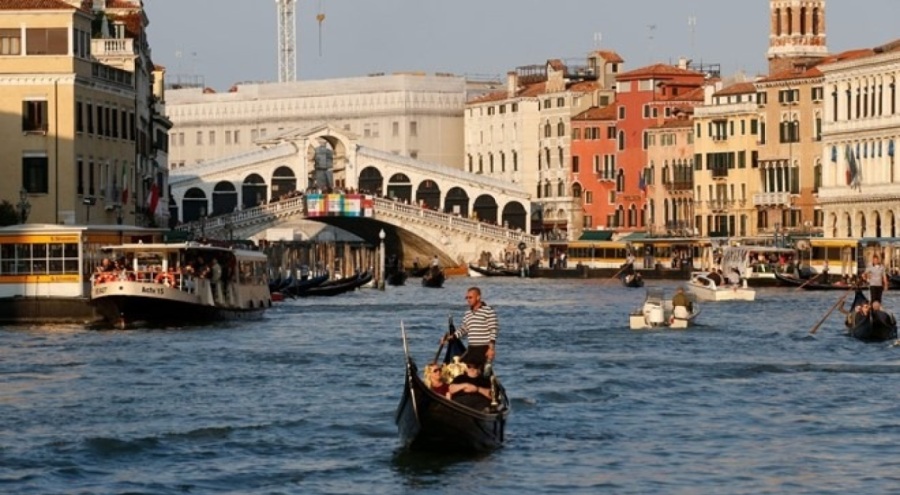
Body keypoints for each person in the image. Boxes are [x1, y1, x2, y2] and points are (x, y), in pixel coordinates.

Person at [442, 286, 498, 372]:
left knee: (478, 372)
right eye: (467, 298)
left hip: (483, 348)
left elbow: (493, 330)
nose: (468, 300)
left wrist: (491, 349)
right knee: (458, 367)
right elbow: (464, 329)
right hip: (471, 348)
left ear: (478, 297)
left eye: (470, 297)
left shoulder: (488, 311)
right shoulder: (468, 313)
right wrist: (450, 337)